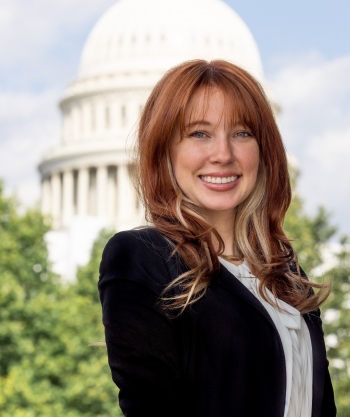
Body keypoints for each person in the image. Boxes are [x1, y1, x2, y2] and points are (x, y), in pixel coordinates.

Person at [98, 59, 336, 417]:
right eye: (199, 134)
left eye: (241, 133)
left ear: (263, 148)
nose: (222, 154)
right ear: (166, 149)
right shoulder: (142, 259)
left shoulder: (285, 273)